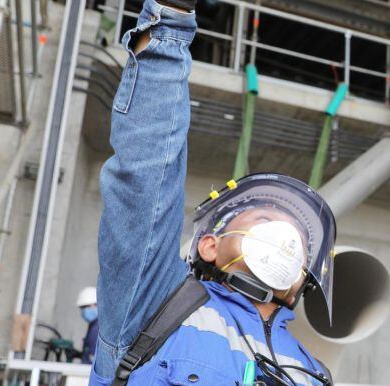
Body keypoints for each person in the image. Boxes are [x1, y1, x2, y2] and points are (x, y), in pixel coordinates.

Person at [90, 1, 337, 384]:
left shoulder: (313, 372)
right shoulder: (159, 307)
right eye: (264, 220)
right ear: (209, 246)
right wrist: (170, 18)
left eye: (299, 241)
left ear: (301, 279)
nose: (285, 239)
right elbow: (146, 177)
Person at [78, 286, 100, 364]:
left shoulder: (98, 328)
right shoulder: (93, 325)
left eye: (86, 307)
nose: (84, 311)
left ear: (96, 304)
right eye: (82, 308)